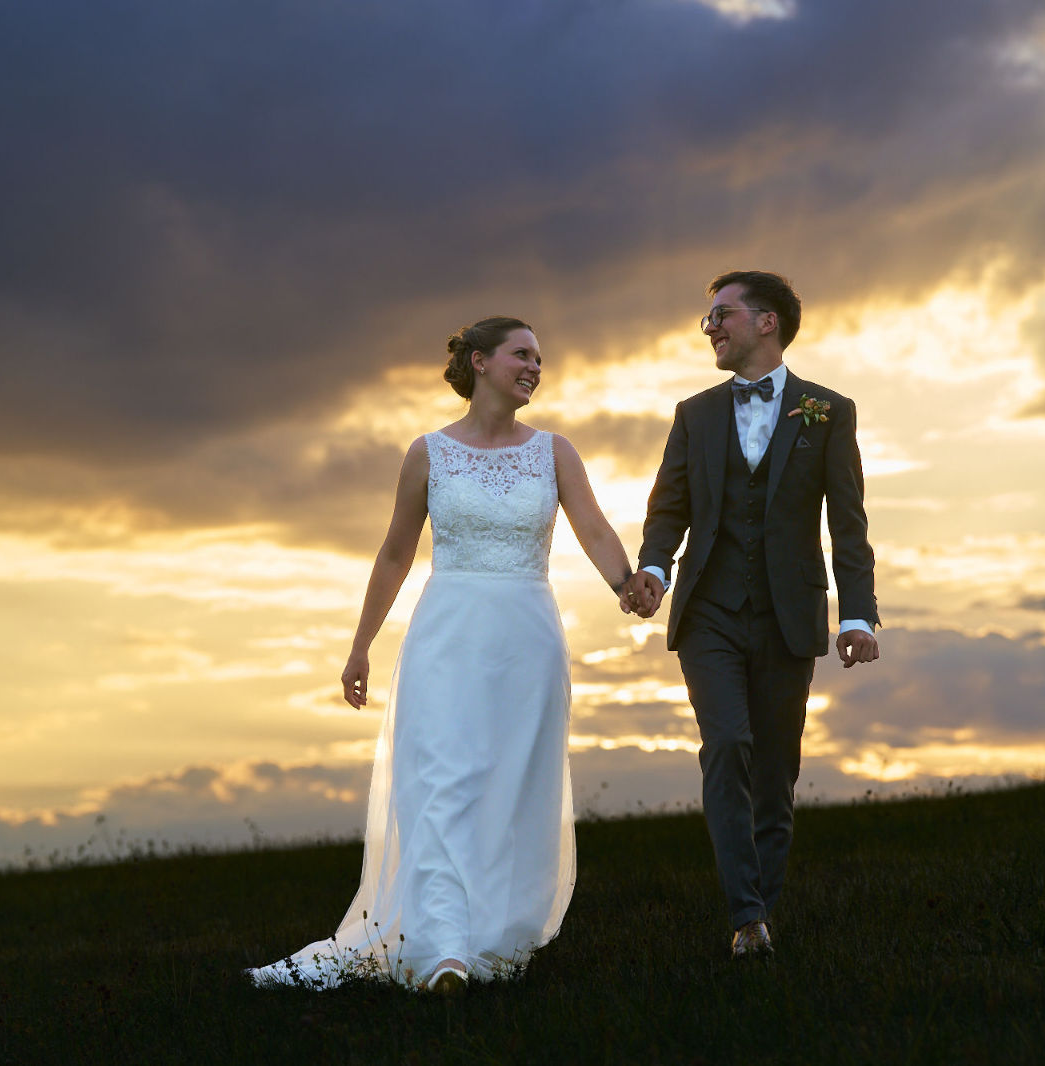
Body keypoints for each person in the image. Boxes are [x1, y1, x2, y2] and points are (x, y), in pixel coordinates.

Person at [248, 317, 638, 993]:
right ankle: (444, 952)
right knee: (440, 788)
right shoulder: (428, 453)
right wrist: (360, 646)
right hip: (446, 638)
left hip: (527, 640)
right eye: (523, 354)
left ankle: (491, 938)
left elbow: (595, 528)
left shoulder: (556, 453)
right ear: (480, 362)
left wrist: (628, 585)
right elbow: (397, 551)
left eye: (540, 358)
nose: (535, 366)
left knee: (511, 789)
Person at [620, 270, 881, 959]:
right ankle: (745, 918)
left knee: (774, 772)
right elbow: (668, 509)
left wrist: (858, 616)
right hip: (707, 609)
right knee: (728, 743)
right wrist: (651, 569)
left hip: (788, 616)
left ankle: (760, 911)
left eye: (721, 314)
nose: (709, 326)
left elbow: (849, 528)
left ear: (767, 322)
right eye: (707, 317)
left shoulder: (828, 411)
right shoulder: (693, 414)